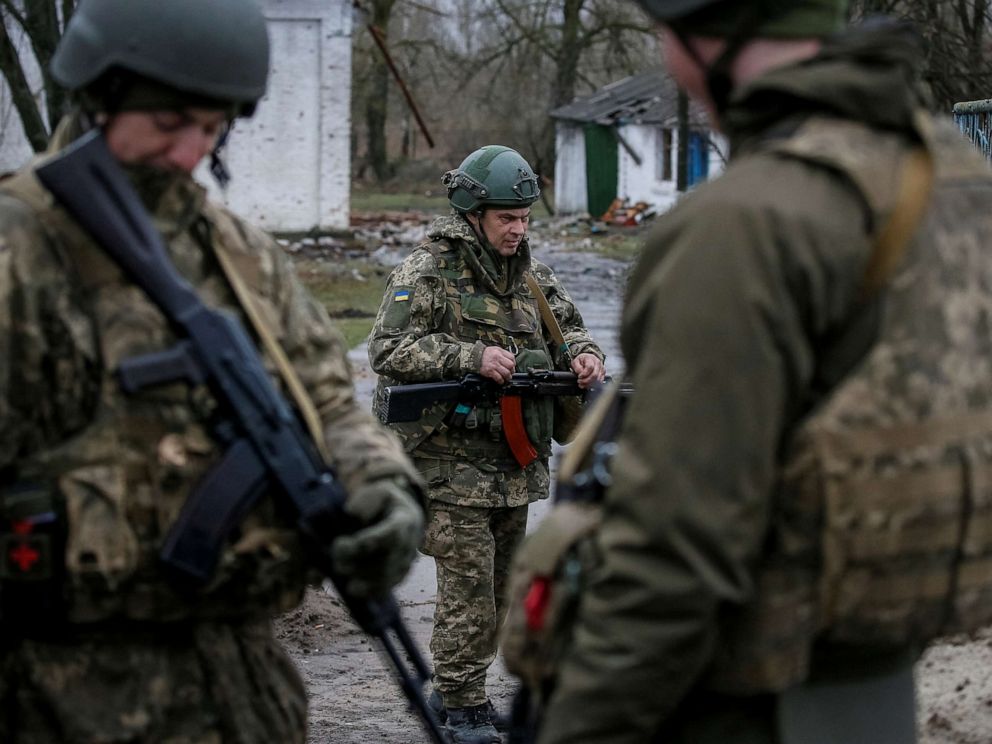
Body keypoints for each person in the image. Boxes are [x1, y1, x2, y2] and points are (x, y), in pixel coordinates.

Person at [534, 1, 992, 743]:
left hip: (737, 710)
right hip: (876, 698)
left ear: (704, 36)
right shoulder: (954, 173)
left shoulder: (742, 224)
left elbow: (673, 559)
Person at [0, 1, 424, 742]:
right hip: (63, 700)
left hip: (244, 693)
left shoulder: (239, 252)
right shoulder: (22, 254)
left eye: (213, 126)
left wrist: (380, 485)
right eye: (170, 125)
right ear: (103, 93)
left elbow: (326, 399)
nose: (191, 151)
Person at [368, 145, 605, 744]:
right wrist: (470, 356)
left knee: (501, 589)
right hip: (449, 463)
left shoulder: (532, 276)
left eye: (524, 217)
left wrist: (584, 357)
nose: (518, 228)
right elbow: (388, 351)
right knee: (468, 585)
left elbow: (572, 327)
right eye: (507, 217)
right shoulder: (427, 271)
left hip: (512, 462)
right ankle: (462, 705)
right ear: (474, 212)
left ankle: (454, 688)